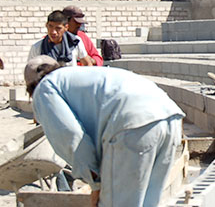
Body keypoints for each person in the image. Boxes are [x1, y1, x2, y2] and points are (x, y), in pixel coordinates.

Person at [24, 56, 185, 207]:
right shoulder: (76, 76)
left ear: (31, 88)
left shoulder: (44, 89)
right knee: (147, 202)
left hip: (133, 125)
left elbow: (71, 138)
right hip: (170, 116)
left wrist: (95, 182)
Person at [28, 10, 93, 66]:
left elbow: (87, 63)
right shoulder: (37, 47)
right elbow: (31, 71)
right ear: (46, 25)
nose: (53, 32)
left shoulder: (75, 42)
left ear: (66, 27)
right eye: (50, 26)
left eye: (58, 28)